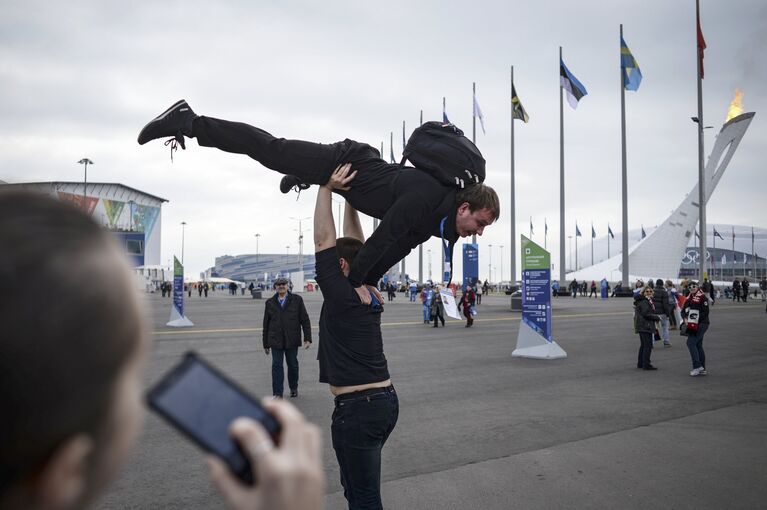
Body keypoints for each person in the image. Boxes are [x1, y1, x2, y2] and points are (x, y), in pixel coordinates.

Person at [0, 192, 324, 510]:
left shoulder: (293, 301)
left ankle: (290, 387)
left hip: (291, 343)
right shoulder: (270, 302)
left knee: (289, 366)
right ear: (64, 474)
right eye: (130, 374)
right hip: (278, 344)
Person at [137, 100, 500, 306]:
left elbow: (396, 250)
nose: (478, 233)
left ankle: (303, 175)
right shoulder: (424, 198)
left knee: (283, 158)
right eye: (480, 224)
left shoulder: (433, 223)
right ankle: (189, 121)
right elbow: (383, 239)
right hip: (345, 163)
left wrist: (369, 282)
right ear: (464, 208)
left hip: (356, 181)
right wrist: (355, 282)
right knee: (270, 149)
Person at [313, 164, 398, 510]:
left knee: (363, 498)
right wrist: (350, 197)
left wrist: (325, 187)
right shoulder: (368, 287)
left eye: (336, 262)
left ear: (342, 266)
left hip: (359, 409)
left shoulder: (345, 294)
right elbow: (357, 244)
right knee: (357, 492)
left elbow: (323, 239)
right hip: (380, 403)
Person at [263, 277, 312, 399]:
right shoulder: (269, 302)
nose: (281, 286)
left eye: (283, 284)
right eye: (278, 284)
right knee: (276, 366)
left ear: (288, 286)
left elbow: (305, 320)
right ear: (275, 287)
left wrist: (307, 338)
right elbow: (266, 324)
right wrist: (265, 344)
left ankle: (293, 387)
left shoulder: (297, 300)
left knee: (293, 365)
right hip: (275, 340)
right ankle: (277, 393)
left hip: (292, 339)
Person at [682, 281, 711, 377]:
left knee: (690, 343)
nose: (692, 288)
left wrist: (694, 318)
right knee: (698, 345)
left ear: (697, 287)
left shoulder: (702, 297)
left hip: (701, 323)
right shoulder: (688, 298)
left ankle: (697, 366)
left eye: (694, 286)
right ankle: (702, 368)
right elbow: (683, 310)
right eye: (690, 287)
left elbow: (705, 312)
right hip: (692, 323)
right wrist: (685, 318)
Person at [634, 284, 661, 370]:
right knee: (647, 346)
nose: (649, 292)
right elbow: (646, 314)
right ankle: (646, 364)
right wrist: (656, 317)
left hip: (643, 325)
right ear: (643, 292)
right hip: (645, 326)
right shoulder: (644, 302)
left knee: (643, 345)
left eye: (650, 291)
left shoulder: (646, 301)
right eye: (647, 291)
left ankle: (640, 363)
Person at [652, 278, 673, 347]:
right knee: (665, 327)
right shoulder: (664, 292)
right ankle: (666, 342)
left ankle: (651, 343)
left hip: (654, 313)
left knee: (653, 328)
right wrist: (668, 314)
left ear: (656, 284)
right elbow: (665, 304)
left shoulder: (652, 291)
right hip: (662, 313)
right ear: (662, 284)